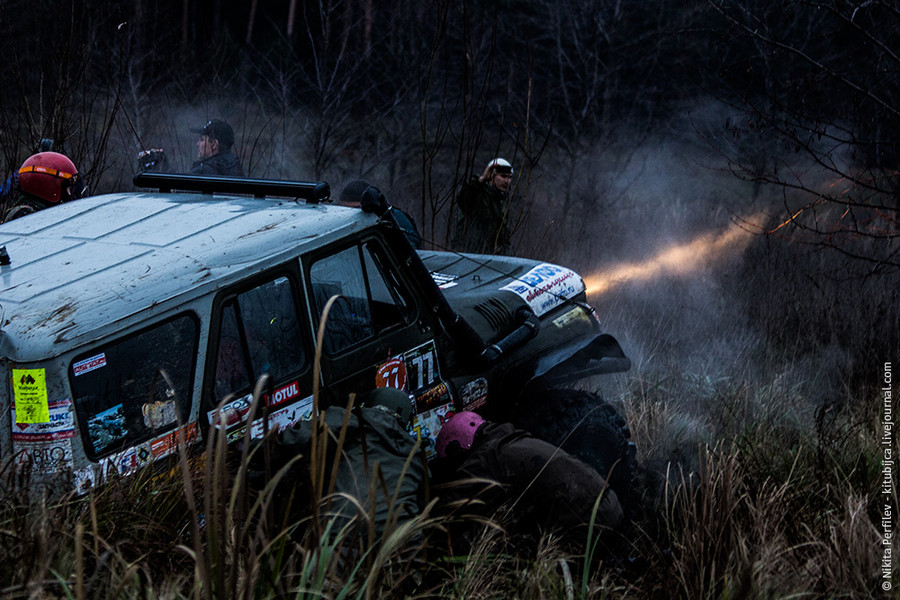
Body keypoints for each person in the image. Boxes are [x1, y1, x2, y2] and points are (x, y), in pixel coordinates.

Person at [430, 411, 624, 553]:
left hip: (589, 521)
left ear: (459, 447)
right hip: (610, 503)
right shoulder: (511, 440)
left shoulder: (486, 456)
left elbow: (449, 516)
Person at [452, 157, 515, 254]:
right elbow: (463, 199)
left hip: (487, 256)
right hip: (468, 253)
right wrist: (481, 179)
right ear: (492, 176)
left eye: (509, 177)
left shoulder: (501, 203)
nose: (507, 181)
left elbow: (503, 236)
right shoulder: (478, 193)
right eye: (503, 176)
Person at [2, 152, 86, 222]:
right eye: (67, 188)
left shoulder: (39, 213)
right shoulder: (25, 217)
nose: (69, 193)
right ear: (49, 188)